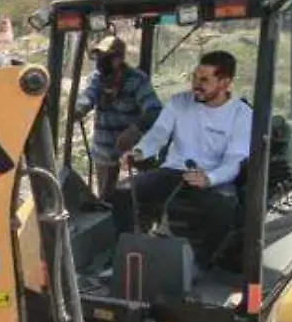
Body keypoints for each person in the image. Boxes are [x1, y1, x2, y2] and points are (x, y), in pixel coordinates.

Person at [106, 50, 253, 267]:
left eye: (205, 80)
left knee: (224, 205)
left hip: (213, 176)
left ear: (225, 83)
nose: (196, 84)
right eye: (194, 77)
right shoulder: (179, 103)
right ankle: (123, 255)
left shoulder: (242, 114)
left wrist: (209, 179)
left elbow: (234, 161)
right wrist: (138, 152)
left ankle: (202, 263)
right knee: (121, 192)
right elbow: (157, 136)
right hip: (174, 171)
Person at [72, 34, 162, 196]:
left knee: (148, 192)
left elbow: (154, 110)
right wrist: (79, 109)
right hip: (105, 150)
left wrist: (134, 131)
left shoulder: (137, 80)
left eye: (107, 57)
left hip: (135, 148)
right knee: (106, 199)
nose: (101, 62)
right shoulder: (96, 79)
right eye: (99, 57)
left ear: (119, 59)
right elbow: (88, 96)